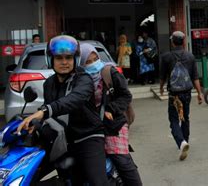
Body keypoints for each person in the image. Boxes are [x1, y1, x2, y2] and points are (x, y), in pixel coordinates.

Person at [17, 35, 107, 185]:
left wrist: (44, 111)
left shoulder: (84, 79)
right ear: (50, 59)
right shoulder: (49, 84)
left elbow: (73, 100)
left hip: (88, 137)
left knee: (98, 182)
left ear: (75, 59)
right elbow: (51, 111)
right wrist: (34, 122)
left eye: (68, 58)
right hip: (63, 141)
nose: (64, 62)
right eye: (59, 58)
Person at [80, 43, 143, 186]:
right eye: (87, 62)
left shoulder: (109, 72)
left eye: (95, 59)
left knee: (121, 159)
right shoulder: (81, 79)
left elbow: (126, 96)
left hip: (115, 124)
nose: (92, 64)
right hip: (93, 128)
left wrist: (111, 108)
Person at [159, 31, 203, 161]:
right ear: (183, 42)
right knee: (185, 117)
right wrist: (199, 93)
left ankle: (181, 142)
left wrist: (161, 87)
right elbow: (195, 77)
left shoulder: (166, 57)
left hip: (174, 94)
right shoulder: (190, 56)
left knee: (173, 119)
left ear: (172, 42)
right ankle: (186, 140)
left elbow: (162, 76)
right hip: (187, 93)